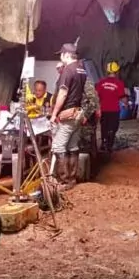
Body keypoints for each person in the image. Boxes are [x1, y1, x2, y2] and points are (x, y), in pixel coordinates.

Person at [50, 43, 86, 186]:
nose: (60, 57)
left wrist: (54, 114)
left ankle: (64, 180)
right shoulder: (82, 69)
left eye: (61, 54)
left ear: (66, 55)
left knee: (58, 146)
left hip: (68, 115)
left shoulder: (67, 70)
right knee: (72, 146)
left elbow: (63, 93)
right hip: (78, 113)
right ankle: (72, 178)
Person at [96, 62, 128, 153]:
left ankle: (103, 143)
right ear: (117, 71)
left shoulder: (101, 83)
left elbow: (96, 96)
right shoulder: (119, 83)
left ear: (107, 72)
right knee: (113, 128)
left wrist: (97, 108)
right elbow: (122, 97)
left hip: (103, 109)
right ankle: (109, 145)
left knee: (104, 127)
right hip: (114, 110)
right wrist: (126, 104)